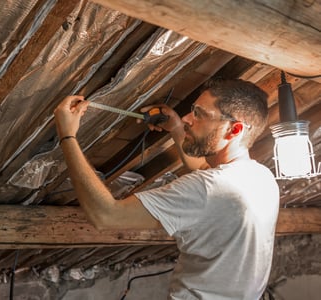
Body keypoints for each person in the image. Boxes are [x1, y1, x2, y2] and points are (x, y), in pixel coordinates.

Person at [54, 78, 279, 300]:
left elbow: (106, 215)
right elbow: (203, 169)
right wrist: (175, 128)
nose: (187, 118)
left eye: (200, 114)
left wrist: (67, 135)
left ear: (234, 129)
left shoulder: (206, 188)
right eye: (193, 110)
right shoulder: (261, 178)